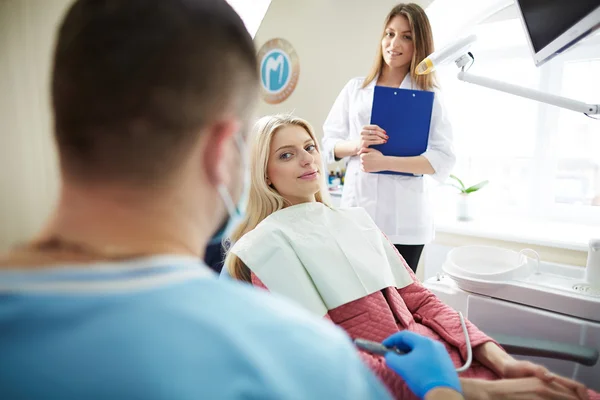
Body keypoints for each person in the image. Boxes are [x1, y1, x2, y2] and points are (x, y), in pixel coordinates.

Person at [0, 1, 464, 400]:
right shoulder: (309, 361)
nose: (305, 160)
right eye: (284, 151)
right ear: (228, 151)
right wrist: (441, 390)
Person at [224, 113, 596, 400]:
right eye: (287, 155)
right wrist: (472, 390)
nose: (307, 160)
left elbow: (425, 302)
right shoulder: (266, 247)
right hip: (407, 384)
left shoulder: (355, 220)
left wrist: (504, 363)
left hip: (451, 365)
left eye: (310, 147)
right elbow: (329, 354)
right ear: (266, 175)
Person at [321, 3, 455, 273]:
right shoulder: (355, 90)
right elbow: (326, 146)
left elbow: (443, 160)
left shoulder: (429, 98)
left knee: (399, 305)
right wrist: (356, 146)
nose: (394, 43)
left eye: (407, 36)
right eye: (389, 33)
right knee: (359, 302)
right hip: (358, 215)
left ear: (420, 44)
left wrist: (385, 162)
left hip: (406, 225)